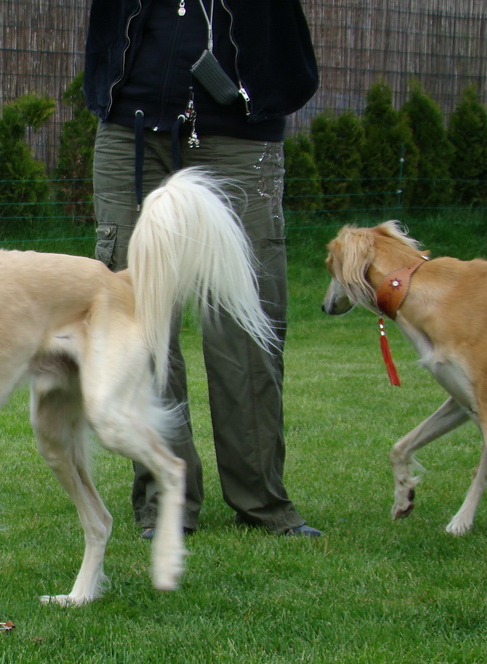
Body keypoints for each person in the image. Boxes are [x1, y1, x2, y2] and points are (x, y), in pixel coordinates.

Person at [83, 0, 322, 538]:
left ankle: (262, 501)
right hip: (131, 133)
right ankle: (166, 499)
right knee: (137, 325)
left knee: (247, 324)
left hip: (241, 135)